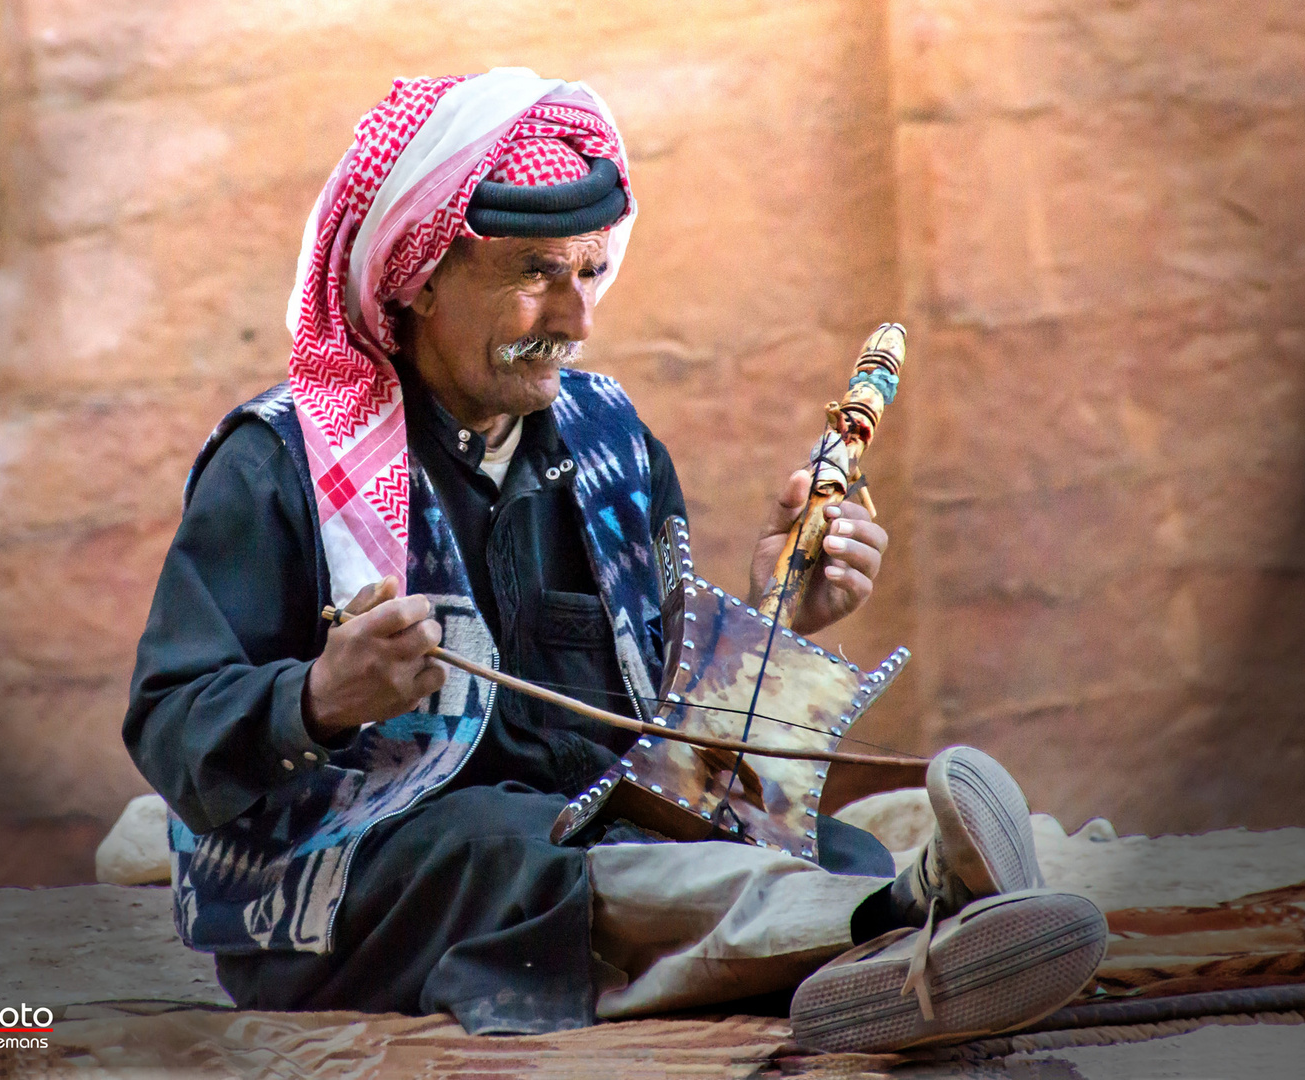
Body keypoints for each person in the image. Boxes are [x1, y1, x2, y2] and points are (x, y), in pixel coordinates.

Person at [123, 68, 1107, 1052]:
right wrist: (320, 699)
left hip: (602, 842)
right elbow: (171, 728)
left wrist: (777, 612)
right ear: (418, 274)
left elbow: (678, 756)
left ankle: (873, 943)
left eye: (590, 271)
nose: (578, 318)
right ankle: (895, 927)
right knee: (503, 849)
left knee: (819, 845)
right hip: (357, 884)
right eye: (535, 274)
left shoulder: (611, 442)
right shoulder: (278, 464)